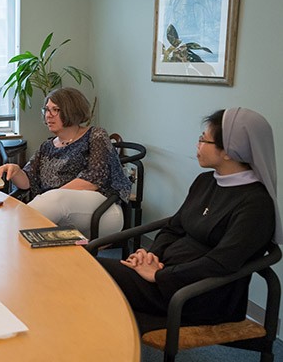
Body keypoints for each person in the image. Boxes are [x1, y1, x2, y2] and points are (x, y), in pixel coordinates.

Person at [98, 108, 282, 332]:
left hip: (197, 293)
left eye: (203, 139)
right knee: (88, 270)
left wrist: (160, 275)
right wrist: (150, 255)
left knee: (94, 274)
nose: (197, 145)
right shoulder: (206, 181)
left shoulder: (256, 204)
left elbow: (221, 263)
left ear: (229, 152)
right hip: (166, 274)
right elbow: (173, 228)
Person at [0, 87, 131, 237]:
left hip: (103, 211)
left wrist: (53, 195)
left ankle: (5, 234)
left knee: (55, 199)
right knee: (52, 201)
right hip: (57, 211)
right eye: (46, 110)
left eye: (55, 110)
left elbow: (93, 179)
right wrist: (16, 171)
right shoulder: (47, 146)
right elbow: (28, 181)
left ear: (71, 110)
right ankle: (8, 236)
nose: (48, 115)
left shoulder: (95, 135)